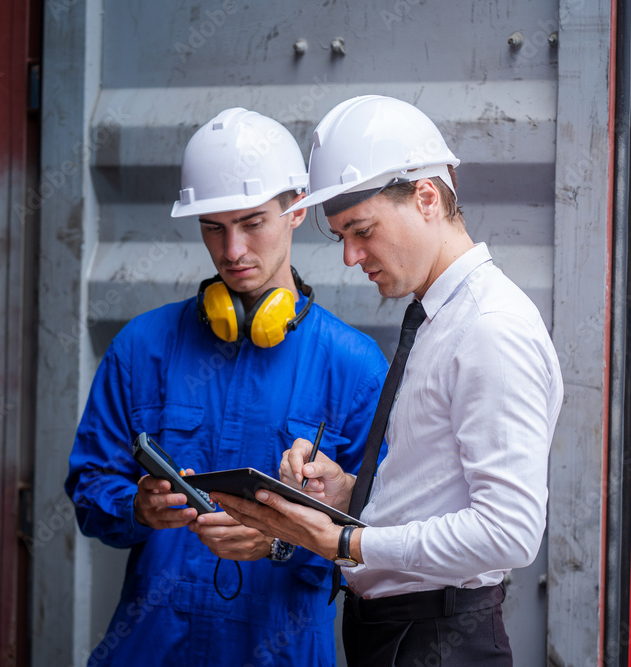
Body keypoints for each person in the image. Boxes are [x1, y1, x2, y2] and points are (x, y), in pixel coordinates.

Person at [213, 95, 564, 667]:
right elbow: (437, 487)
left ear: (426, 197)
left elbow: (509, 531)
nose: (351, 257)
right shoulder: (438, 318)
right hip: (399, 635)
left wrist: (347, 542)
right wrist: (350, 492)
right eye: (341, 236)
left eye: (362, 230)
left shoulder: (490, 329)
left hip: (438, 641)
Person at [65, 107, 388, 667]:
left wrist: (283, 542)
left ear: (296, 209)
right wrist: (136, 509)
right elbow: (90, 490)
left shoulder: (354, 367)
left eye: (252, 222)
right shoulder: (143, 347)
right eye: (213, 227)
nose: (232, 250)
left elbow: (382, 536)